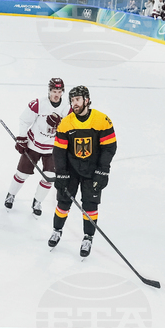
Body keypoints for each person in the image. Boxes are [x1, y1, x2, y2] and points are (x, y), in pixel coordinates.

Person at [49, 85, 117, 257]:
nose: (74, 103)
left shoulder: (101, 120)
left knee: (90, 205)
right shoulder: (66, 122)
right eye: (72, 100)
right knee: (63, 202)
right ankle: (57, 230)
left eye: (77, 99)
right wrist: (61, 172)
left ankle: (88, 237)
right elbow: (59, 151)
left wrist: (103, 171)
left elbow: (109, 147)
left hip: (92, 171)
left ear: (86, 100)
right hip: (71, 170)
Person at [4, 77, 66, 216]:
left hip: (52, 148)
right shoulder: (38, 104)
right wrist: (21, 138)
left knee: (50, 177)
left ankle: (37, 201)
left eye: (59, 91)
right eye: (54, 91)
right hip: (33, 145)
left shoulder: (67, 108)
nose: (56, 94)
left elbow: (71, 128)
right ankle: (11, 194)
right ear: (49, 91)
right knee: (22, 173)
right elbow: (24, 120)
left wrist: (60, 124)